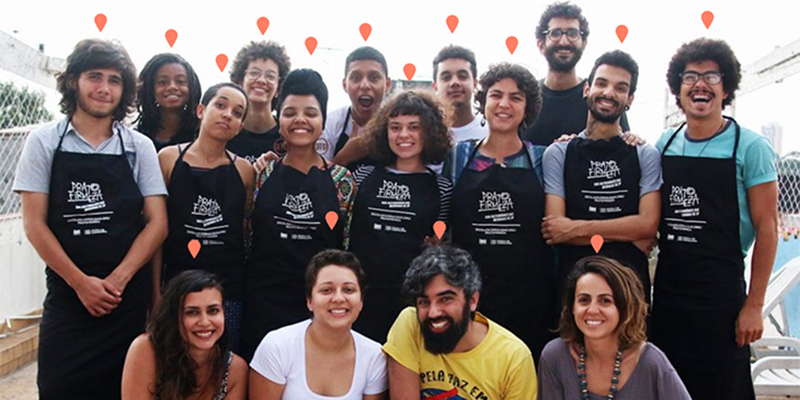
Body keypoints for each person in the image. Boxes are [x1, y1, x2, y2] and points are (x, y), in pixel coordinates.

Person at [13, 39, 168, 400]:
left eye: (114, 80)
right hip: (68, 297)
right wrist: (81, 284)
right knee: (59, 388)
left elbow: (157, 223)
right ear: (73, 81)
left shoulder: (139, 147)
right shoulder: (44, 142)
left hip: (125, 301)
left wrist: (118, 280)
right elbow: (34, 225)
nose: (104, 88)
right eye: (94, 77)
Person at [650, 38, 778, 400]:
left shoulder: (750, 147)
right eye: (690, 76)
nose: (700, 84)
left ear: (726, 88)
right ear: (678, 88)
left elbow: (768, 228)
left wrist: (754, 306)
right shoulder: (664, 144)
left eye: (711, 76)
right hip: (670, 293)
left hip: (722, 296)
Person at [443, 62, 558, 363]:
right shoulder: (458, 156)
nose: (504, 104)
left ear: (527, 107)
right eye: (496, 95)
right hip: (469, 296)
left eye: (515, 97)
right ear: (483, 102)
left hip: (530, 299)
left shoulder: (543, 158)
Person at [242, 68, 357, 361]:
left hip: (319, 307)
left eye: (311, 113)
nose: (300, 120)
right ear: (279, 118)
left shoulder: (342, 181)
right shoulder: (261, 173)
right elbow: (246, 235)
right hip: (263, 302)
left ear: (322, 120)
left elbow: (346, 247)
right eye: (290, 112)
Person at [542, 50, 660, 302]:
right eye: (602, 83)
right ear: (587, 89)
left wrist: (574, 228)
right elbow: (555, 229)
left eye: (620, 88)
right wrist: (627, 233)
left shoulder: (645, 154)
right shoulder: (559, 153)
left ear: (630, 99)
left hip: (631, 292)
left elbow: (648, 225)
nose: (609, 93)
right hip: (574, 291)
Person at [157, 82, 255, 352]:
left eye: (237, 113)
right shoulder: (168, 159)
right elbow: (157, 231)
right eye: (220, 105)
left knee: (222, 362)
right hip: (176, 287)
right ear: (201, 110)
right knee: (173, 362)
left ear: (240, 126)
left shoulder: (245, 170)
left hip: (228, 291)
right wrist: (155, 292)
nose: (227, 115)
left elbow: (243, 228)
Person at [349, 89, 453, 342]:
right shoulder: (362, 176)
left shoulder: (442, 187)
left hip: (410, 300)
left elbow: (439, 243)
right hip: (360, 295)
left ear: (429, 132)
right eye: (395, 127)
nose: (403, 135)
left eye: (414, 127)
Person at [383, 245, 537, 400]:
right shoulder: (410, 323)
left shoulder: (513, 357)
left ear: (472, 300)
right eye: (424, 302)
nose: (433, 312)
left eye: (445, 299)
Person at [538, 256, 690, 399]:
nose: (592, 310)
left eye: (605, 301)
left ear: (625, 308)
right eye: (584, 300)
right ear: (572, 307)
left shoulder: (651, 362)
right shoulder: (555, 357)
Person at [249, 249, 388, 400]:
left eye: (348, 290)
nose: (338, 298)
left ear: (361, 301)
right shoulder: (277, 347)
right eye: (326, 290)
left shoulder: (374, 357)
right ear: (309, 301)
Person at [122, 270, 248, 400]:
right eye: (192, 312)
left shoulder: (235, 369)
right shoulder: (146, 349)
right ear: (173, 317)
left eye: (213, 311)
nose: (204, 322)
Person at [522, 2, 629, 146]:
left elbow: (623, 147)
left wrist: (633, 139)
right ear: (541, 44)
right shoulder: (526, 97)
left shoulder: (599, 97)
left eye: (573, 33)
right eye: (555, 33)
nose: (564, 41)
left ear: (584, 43)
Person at [318, 46, 392, 170]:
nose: (364, 85)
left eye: (373, 78)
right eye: (356, 78)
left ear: (387, 84)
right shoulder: (329, 124)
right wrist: (344, 157)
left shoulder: (398, 125)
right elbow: (317, 178)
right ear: (345, 85)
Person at [227, 41, 292, 163]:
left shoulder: (288, 135)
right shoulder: (226, 129)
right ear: (240, 81)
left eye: (270, 76)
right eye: (254, 73)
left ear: (279, 88)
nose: (261, 80)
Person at [134, 53, 202, 152]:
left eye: (180, 81)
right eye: (162, 82)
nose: (172, 87)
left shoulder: (202, 134)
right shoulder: (135, 137)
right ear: (149, 89)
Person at [431, 44, 488, 142]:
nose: (454, 83)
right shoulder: (427, 133)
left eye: (462, 76)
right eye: (446, 77)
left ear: (475, 84)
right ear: (435, 86)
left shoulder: (492, 131)